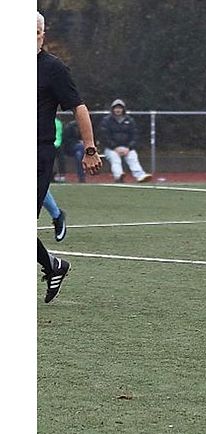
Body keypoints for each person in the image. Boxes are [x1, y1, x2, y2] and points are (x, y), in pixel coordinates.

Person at [37, 11, 102, 302]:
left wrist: (89, 149)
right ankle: (53, 266)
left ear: (41, 35)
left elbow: (79, 108)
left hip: (36, 153)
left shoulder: (54, 69)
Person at [98, 98, 153, 183]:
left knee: (133, 157)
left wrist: (128, 147)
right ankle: (118, 176)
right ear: (112, 109)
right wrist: (115, 147)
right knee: (115, 159)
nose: (118, 110)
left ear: (123, 109)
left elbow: (135, 136)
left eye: (120, 108)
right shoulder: (106, 121)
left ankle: (140, 176)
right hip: (111, 148)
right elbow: (105, 137)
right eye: (116, 108)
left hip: (127, 148)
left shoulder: (130, 121)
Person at [63, 119, 87, 183]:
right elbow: (66, 141)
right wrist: (79, 142)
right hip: (71, 148)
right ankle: (81, 176)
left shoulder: (86, 126)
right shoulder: (69, 127)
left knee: (79, 154)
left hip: (82, 149)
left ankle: (81, 177)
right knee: (80, 149)